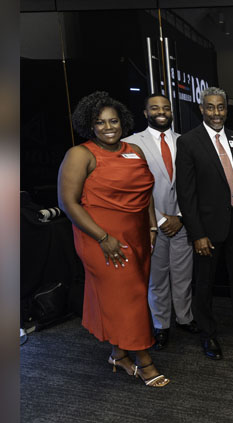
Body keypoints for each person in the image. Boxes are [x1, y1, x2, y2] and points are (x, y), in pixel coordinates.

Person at [57, 91, 168, 386]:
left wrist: (152, 228)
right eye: (100, 122)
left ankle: (118, 354)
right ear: (90, 125)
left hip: (138, 236)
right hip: (100, 238)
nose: (108, 127)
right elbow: (69, 203)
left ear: (123, 121)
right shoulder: (80, 154)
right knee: (130, 298)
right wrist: (103, 237)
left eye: (114, 121)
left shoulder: (135, 150)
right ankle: (145, 362)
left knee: (128, 297)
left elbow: (145, 193)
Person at [176, 86, 233, 361]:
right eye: (210, 107)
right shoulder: (189, 142)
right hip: (207, 228)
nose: (216, 113)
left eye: (221, 107)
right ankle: (208, 333)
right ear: (201, 109)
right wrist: (197, 233)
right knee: (205, 284)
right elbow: (186, 194)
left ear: (227, 109)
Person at [122, 94, 198, 351]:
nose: (161, 112)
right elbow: (132, 189)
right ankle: (161, 325)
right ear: (145, 113)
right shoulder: (130, 144)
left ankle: (185, 318)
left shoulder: (186, 141)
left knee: (183, 275)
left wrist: (181, 216)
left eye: (166, 108)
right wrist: (163, 218)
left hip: (183, 220)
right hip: (150, 223)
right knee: (157, 277)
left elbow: (193, 184)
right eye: (154, 108)